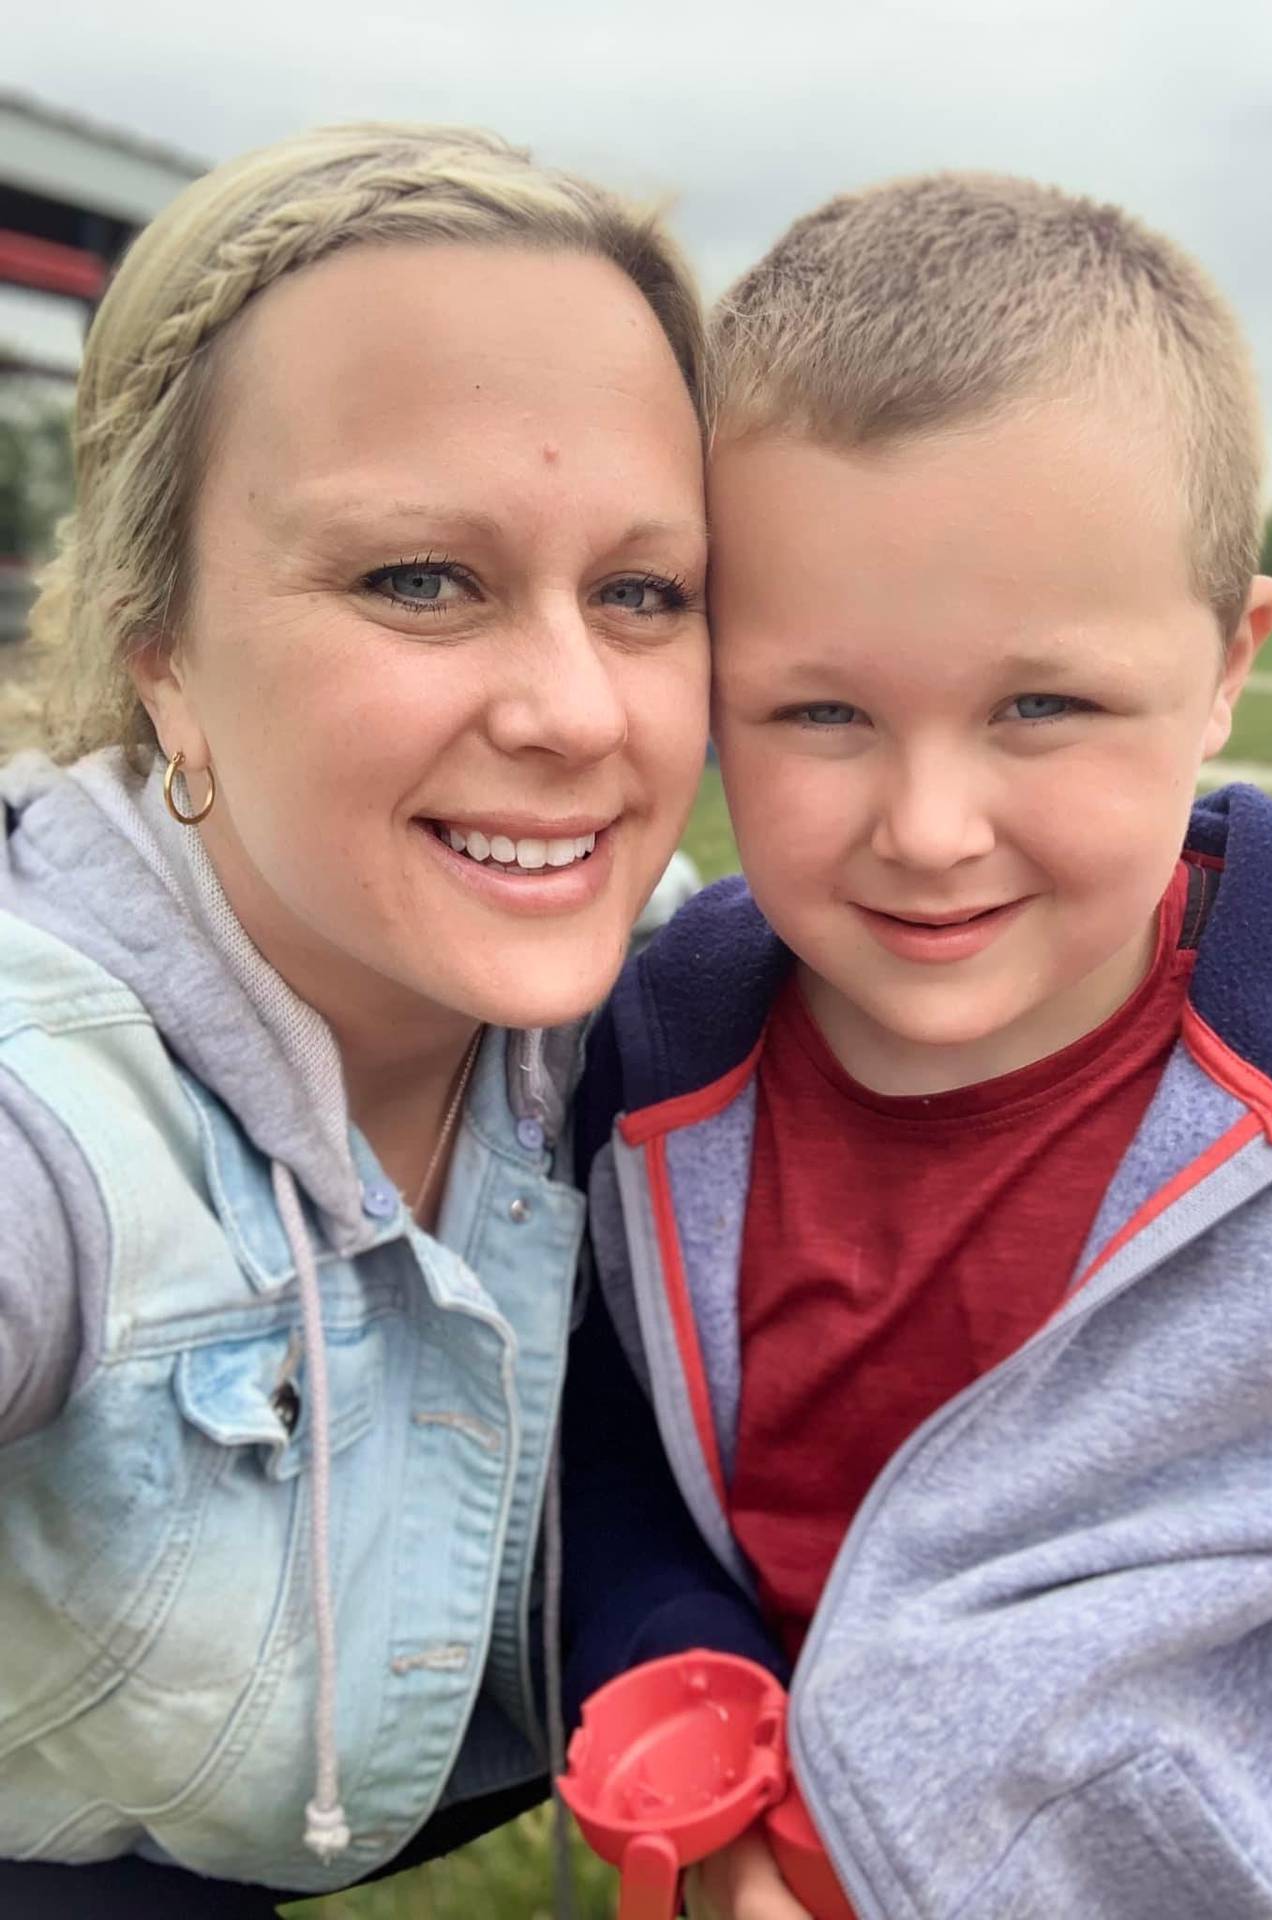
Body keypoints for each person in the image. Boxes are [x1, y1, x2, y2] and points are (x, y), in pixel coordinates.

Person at [563, 173, 1272, 1918]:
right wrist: (675, 1682)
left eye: (1044, 706)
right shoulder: (643, 1064)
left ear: (1223, 669)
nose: (931, 825)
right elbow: (601, 1444)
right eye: (821, 712)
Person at [0, 122, 711, 1915]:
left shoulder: (704, 994)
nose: (574, 710)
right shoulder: (45, 1097)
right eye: (418, 579)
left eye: (643, 592)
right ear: (161, 647)